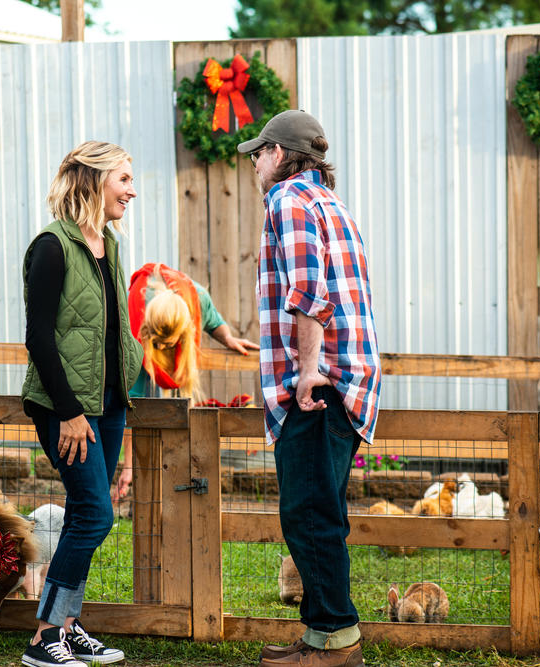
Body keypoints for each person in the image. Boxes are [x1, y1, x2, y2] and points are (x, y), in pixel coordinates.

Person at [239, 110, 380, 667]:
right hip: (344, 378)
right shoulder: (330, 203)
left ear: (280, 154)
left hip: (320, 383)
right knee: (317, 509)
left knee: (309, 513)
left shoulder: (288, 200)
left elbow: (308, 291)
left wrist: (306, 370)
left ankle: (335, 641)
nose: (254, 161)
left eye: (260, 151)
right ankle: (322, 635)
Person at [20, 141, 144, 667]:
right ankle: (44, 636)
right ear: (93, 181)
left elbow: (111, 328)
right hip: (67, 407)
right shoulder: (51, 247)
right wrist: (69, 411)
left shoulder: (107, 245)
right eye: (122, 179)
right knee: (95, 514)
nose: (131, 190)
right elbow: (40, 339)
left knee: (85, 514)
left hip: (109, 401)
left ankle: (68, 627)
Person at [112, 262, 258, 499]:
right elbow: (134, 402)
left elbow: (213, 321)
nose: (164, 350)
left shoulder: (197, 298)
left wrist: (228, 338)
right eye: (159, 346)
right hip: (141, 339)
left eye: (169, 346)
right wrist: (128, 467)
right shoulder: (132, 313)